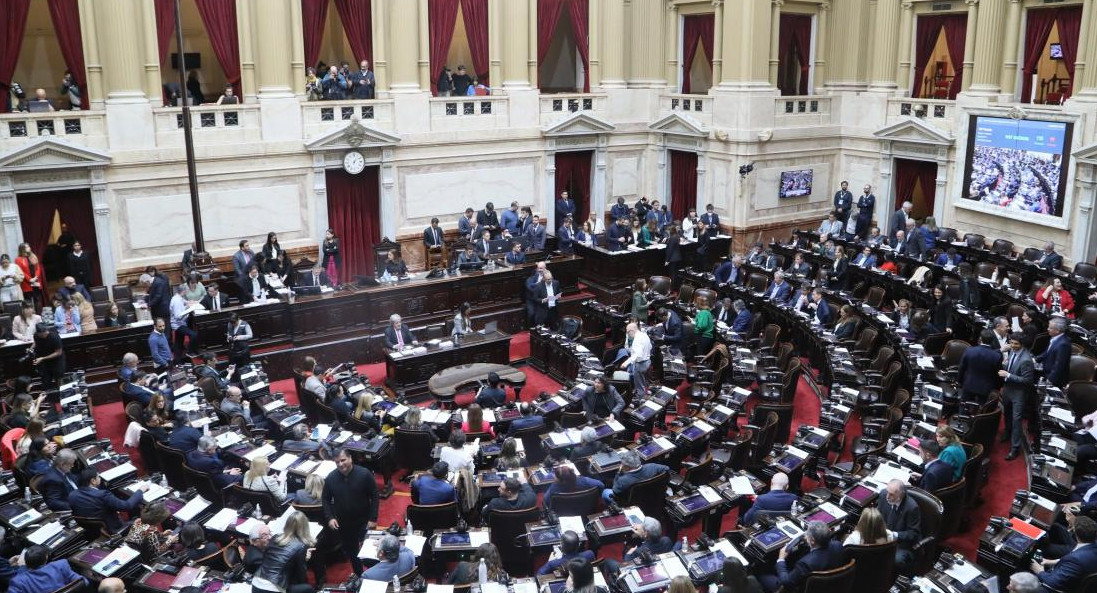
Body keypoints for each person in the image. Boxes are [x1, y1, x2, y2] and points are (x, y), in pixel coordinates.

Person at [323, 448, 379, 576]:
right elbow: (325, 498)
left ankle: (374, 575)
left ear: (350, 458)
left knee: (370, 550)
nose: (340, 464)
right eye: (337, 462)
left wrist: (373, 518)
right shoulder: (331, 478)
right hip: (344, 523)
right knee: (353, 553)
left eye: (343, 460)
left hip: (364, 520)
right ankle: (359, 576)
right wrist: (330, 517)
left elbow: (375, 495)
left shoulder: (364, 474)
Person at [759, 521, 845, 593]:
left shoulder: (805, 564)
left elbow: (786, 582)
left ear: (813, 540)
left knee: (760, 571)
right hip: (830, 585)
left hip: (797, 589)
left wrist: (781, 559)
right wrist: (808, 542)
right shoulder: (838, 545)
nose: (805, 535)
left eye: (807, 534)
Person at [252, 511, 316, 593]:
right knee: (307, 588)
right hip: (272, 590)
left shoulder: (275, 537)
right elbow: (301, 577)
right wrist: (305, 559)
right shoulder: (301, 546)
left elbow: (265, 559)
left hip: (256, 584)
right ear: (305, 527)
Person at [68, 466, 145, 533]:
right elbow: (127, 506)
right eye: (98, 476)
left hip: (92, 531)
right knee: (145, 520)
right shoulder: (102, 494)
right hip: (113, 530)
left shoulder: (72, 495)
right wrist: (140, 491)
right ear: (93, 481)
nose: (100, 478)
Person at [1030, 516, 1097, 592]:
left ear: (1075, 532)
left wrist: (1039, 571)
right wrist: (1051, 561)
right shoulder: (1092, 547)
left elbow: (1054, 583)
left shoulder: (1075, 559)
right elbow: (1078, 563)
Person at [999, 332, 1035, 460]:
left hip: (1018, 393)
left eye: (1016, 344)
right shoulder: (1011, 351)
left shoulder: (1026, 360)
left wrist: (1008, 375)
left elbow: (1027, 381)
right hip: (1008, 389)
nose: (1013, 346)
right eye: (1012, 343)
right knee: (1007, 414)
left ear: (1022, 344)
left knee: (1016, 420)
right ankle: (1007, 433)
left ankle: (1015, 448)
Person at [877, 479, 922, 573]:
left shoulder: (912, 508)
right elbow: (878, 515)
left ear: (901, 495)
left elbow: (913, 533)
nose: (888, 497)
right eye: (887, 492)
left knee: (896, 560)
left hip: (902, 543)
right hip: (883, 535)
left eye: (892, 494)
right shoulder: (883, 494)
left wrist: (894, 535)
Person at [7, 546, 86, 593]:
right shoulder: (60, 565)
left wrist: (16, 568)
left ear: (26, 562)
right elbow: (84, 582)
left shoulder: (18, 581)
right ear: (46, 558)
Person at [957, 329, 1003, 405]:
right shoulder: (997, 356)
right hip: (985, 389)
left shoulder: (969, 351)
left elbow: (962, 368)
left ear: (980, 338)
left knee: (963, 406)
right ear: (992, 341)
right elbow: (998, 375)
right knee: (980, 410)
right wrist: (997, 388)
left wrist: (960, 382)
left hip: (968, 384)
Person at [1037, 316, 1072, 388]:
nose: (1047, 329)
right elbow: (1047, 352)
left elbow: (1059, 366)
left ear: (1058, 330)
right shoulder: (1055, 338)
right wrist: (1036, 359)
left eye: (1050, 328)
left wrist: (1050, 380)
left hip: (1055, 380)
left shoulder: (1063, 344)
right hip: (1046, 371)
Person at [621, 322, 652, 397]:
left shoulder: (637, 340)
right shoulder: (644, 335)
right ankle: (644, 392)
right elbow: (650, 346)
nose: (628, 334)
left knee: (639, 385)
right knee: (643, 380)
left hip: (640, 364)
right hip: (647, 361)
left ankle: (640, 399)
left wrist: (626, 363)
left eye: (628, 332)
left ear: (632, 331)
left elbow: (638, 354)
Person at [170, 285, 198, 362]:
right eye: (187, 290)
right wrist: (188, 310)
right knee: (193, 334)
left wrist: (189, 303)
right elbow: (178, 316)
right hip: (178, 325)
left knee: (178, 343)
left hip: (181, 323)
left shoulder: (179, 297)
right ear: (184, 291)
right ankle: (189, 352)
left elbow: (184, 303)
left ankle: (178, 360)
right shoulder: (176, 301)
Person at [33, 322, 65, 387]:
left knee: (59, 381)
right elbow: (36, 343)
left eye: (45, 334)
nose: (44, 336)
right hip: (44, 361)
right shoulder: (36, 335)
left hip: (56, 361)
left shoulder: (54, 337)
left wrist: (42, 358)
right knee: (45, 382)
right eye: (41, 335)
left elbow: (58, 352)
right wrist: (31, 348)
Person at [15, 243, 45, 310]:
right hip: (27, 283)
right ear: (22, 249)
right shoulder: (18, 259)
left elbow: (38, 268)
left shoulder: (33, 256)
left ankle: (38, 315)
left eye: (29, 246)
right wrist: (30, 279)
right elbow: (21, 271)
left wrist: (36, 277)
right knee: (28, 301)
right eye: (26, 247)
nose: (29, 248)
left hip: (36, 281)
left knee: (37, 299)